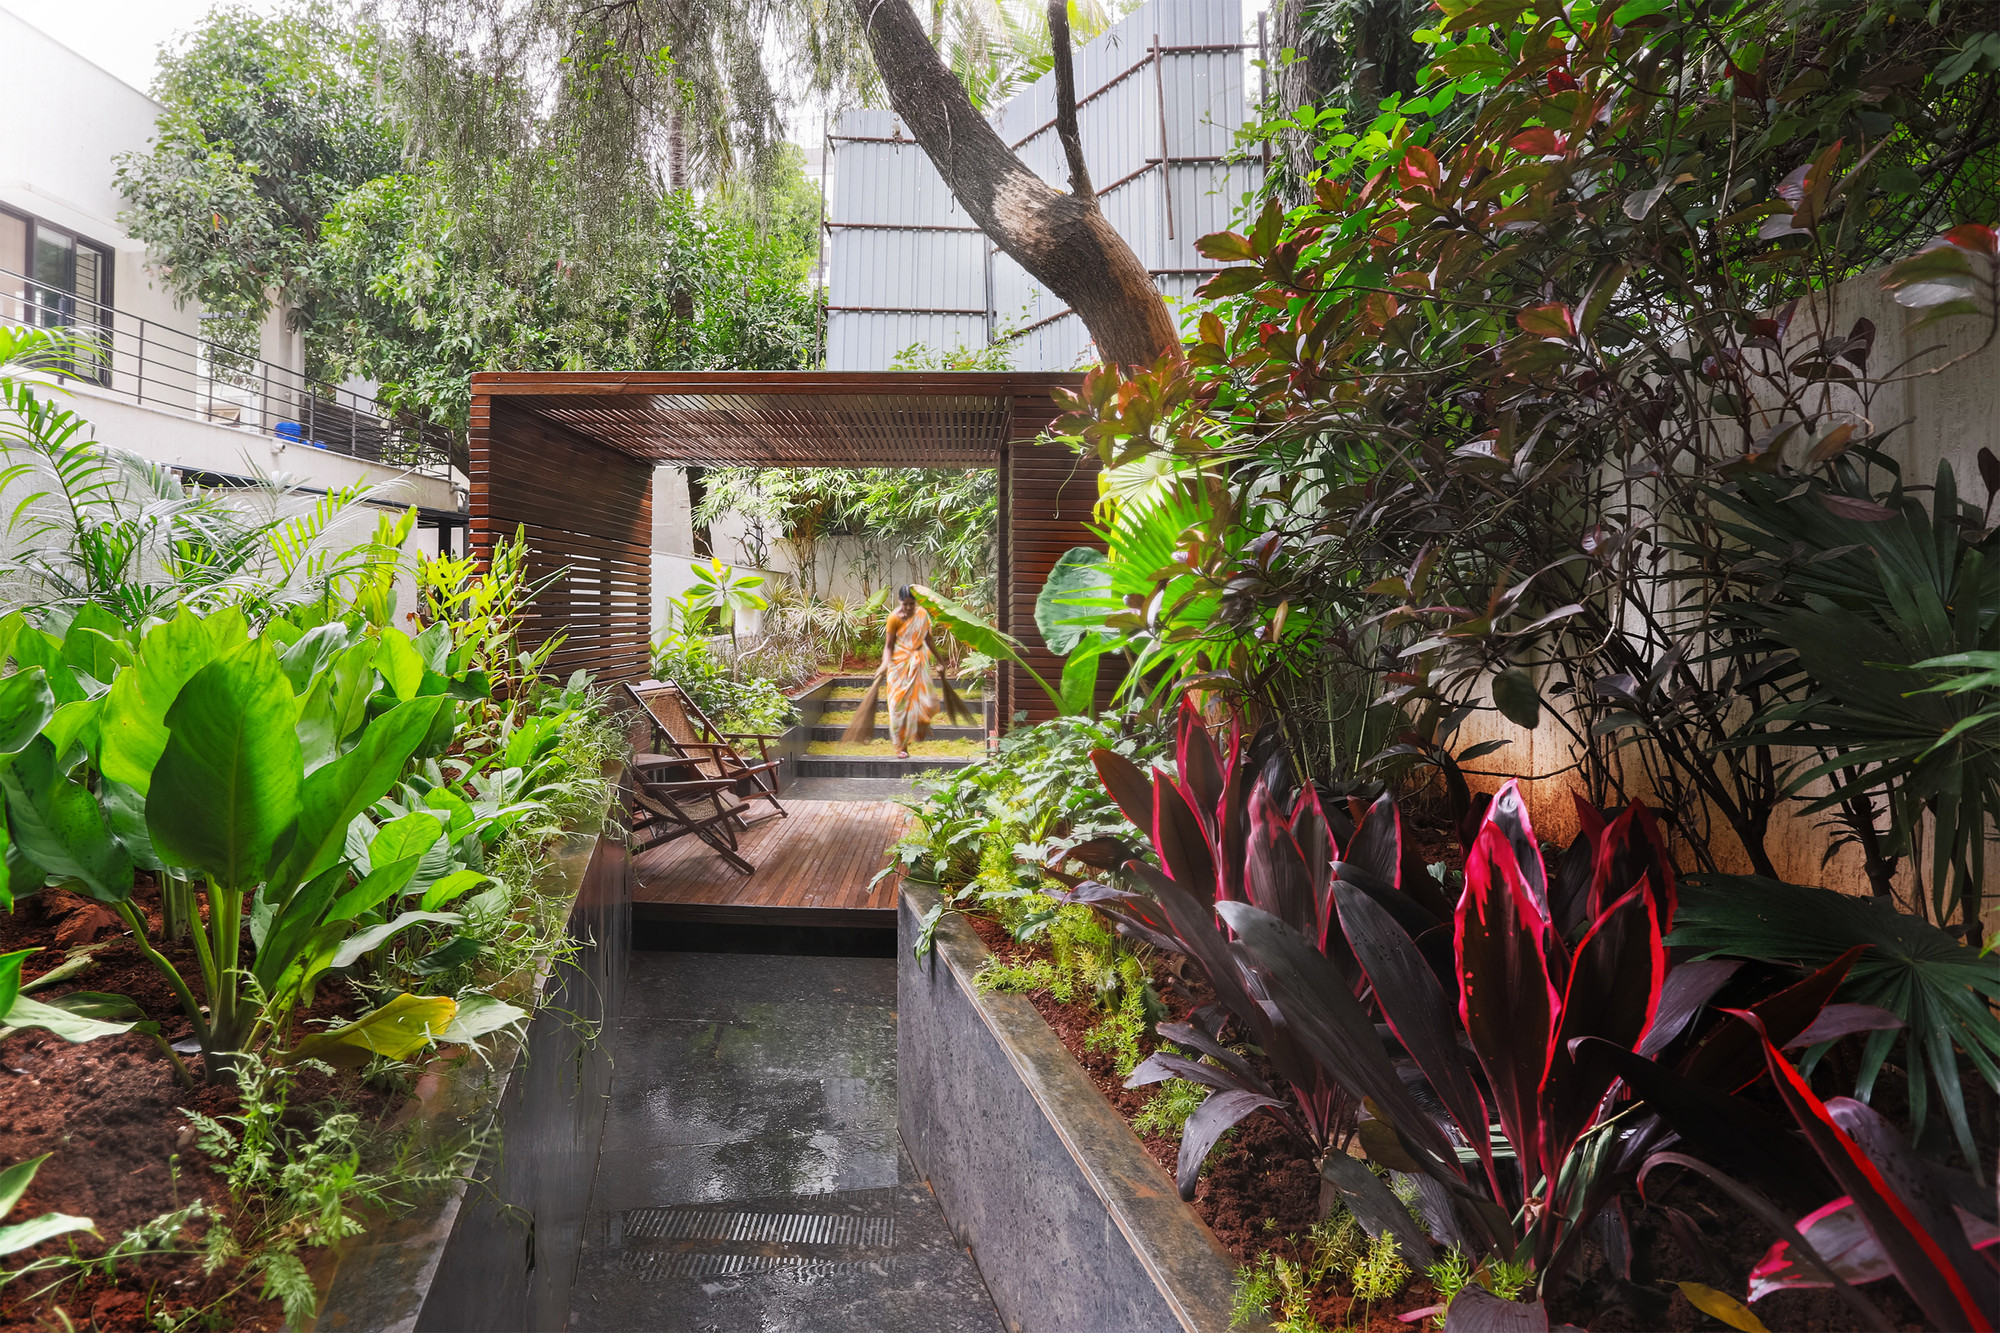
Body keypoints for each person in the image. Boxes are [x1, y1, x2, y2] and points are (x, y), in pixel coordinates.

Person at [882, 585, 939, 758]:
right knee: (896, 708)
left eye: (911, 604)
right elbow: (888, 646)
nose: (908, 608)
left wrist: (941, 661)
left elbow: (928, 639)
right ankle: (902, 746)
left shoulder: (922, 615)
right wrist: (884, 664)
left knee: (925, 703)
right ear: (899, 601)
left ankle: (920, 726)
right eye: (905, 604)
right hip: (897, 667)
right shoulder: (894, 618)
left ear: (916, 602)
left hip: (918, 664)